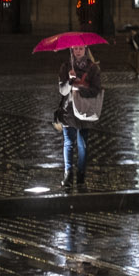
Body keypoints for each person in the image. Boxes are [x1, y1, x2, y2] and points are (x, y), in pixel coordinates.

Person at [55, 44, 103, 188]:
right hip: (69, 109)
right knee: (69, 143)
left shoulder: (93, 68)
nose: (78, 51)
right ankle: (68, 175)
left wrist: (81, 90)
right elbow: (62, 91)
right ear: (71, 50)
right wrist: (70, 81)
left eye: (80, 49)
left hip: (84, 110)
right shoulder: (66, 66)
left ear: (86, 50)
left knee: (82, 144)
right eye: (75, 49)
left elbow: (96, 89)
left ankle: (81, 176)